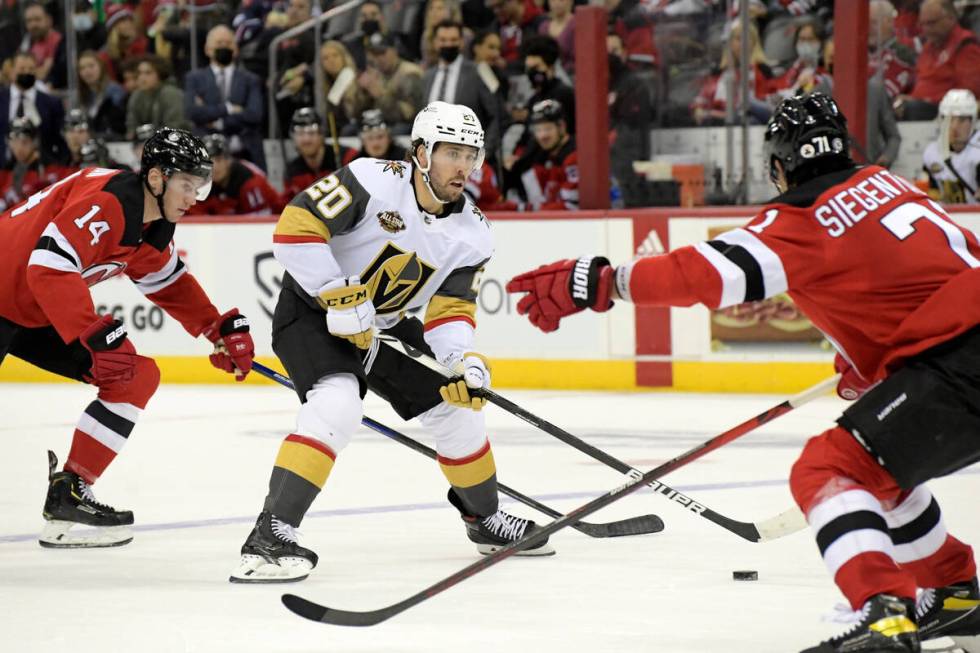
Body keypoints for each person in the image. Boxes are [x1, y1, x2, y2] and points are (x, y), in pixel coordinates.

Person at [505, 92, 980, 653]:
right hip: (955, 354)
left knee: (827, 470)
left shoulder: (800, 218)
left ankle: (886, 617)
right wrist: (875, 363)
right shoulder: (892, 185)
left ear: (779, 166)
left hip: (959, 366)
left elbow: (704, 273)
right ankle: (954, 595)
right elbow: (935, 275)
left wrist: (602, 282)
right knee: (883, 473)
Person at [229, 101, 554, 583]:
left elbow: (450, 309)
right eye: (451, 153)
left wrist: (458, 359)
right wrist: (335, 294)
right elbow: (295, 228)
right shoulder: (372, 179)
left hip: (384, 322)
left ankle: (484, 519)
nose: (463, 165)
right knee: (338, 403)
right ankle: (271, 532)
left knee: (458, 408)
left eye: (471, 154)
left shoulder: (475, 233)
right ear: (421, 152)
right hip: (313, 313)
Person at [0, 128, 256, 548]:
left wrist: (215, 329)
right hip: (9, 291)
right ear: (156, 178)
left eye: (199, 186)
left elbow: (169, 283)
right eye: (186, 184)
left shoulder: (152, 226)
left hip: (34, 308)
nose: (194, 197)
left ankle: (70, 494)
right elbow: (47, 266)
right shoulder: (110, 203)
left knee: (133, 376)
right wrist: (91, 329)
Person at [184, 25, 266, 170]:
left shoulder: (251, 79)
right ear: (207, 49)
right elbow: (193, 112)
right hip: (204, 151)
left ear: (236, 49)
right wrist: (229, 109)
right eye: (219, 43)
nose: (224, 47)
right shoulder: (194, 78)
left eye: (228, 43)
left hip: (245, 150)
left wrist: (218, 122)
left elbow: (254, 115)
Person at [896, 0, 980, 120]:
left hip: (942, 112)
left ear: (950, 18)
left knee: (912, 109)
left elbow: (967, 94)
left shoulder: (965, 45)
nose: (926, 30)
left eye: (931, 23)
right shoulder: (929, 47)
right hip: (917, 107)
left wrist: (925, 99)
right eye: (922, 24)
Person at [505, 99, 578, 211]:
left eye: (547, 128)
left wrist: (534, 212)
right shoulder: (546, 156)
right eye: (538, 130)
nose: (542, 136)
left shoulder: (574, 157)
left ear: (562, 127)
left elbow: (572, 206)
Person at [190, 134, 283, 215]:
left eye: (218, 160)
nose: (214, 167)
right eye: (209, 162)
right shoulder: (200, 181)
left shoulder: (249, 181)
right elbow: (195, 215)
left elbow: (259, 222)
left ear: (229, 160)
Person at [281, 107, 355, 200]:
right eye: (300, 133)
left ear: (322, 134)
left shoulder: (346, 156)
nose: (306, 139)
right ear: (293, 138)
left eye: (311, 133)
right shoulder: (292, 172)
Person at [922, 89, 980, 205]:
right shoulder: (932, 152)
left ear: (973, 122)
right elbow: (931, 191)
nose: (954, 126)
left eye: (962, 120)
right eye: (948, 119)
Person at [125, 55, 191, 138]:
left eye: (148, 73)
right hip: (144, 143)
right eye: (139, 73)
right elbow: (131, 125)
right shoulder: (136, 96)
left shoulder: (171, 94)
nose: (142, 77)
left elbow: (174, 127)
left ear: (160, 74)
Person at [77, 50, 127, 139]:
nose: (87, 71)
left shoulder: (114, 91)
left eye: (91, 66)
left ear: (101, 67)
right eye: (82, 68)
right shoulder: (84, 94)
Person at [343, 109, 407, 165]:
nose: (375, 143)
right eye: (370, 138)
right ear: (363, 141)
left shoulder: (404, 160)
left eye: (380, 137)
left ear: (389, 138)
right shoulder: (355, 164)